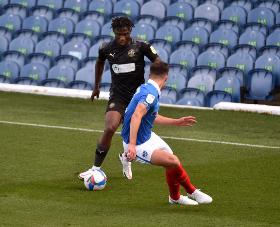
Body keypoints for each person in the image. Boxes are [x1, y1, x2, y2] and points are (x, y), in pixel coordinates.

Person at [78, 16, 161, 181]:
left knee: (133, 134)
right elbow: (99, 63)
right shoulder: (106, 48)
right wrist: (96, 87)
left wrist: (154, 86)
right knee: (110, 128)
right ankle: (95, 169)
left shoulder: (142, 46)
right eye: (118, 34)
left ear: (130, 31)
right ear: (114, 32)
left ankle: (126, 158)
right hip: (118, 95)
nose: (122, 38)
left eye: (125, 34)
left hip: (138, 96)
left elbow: (158, 62)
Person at [120, 61, 213, 205]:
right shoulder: (150, 94)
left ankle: (175, 198)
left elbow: (151, 116)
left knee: (171, 160)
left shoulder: (147, 87)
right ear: (166, 78)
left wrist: (176, 121)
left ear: (149, 75)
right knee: (173, 161)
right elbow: (136, 115)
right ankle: (192, 191)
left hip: (146, 136)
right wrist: (132, 145)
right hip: (137, 144)